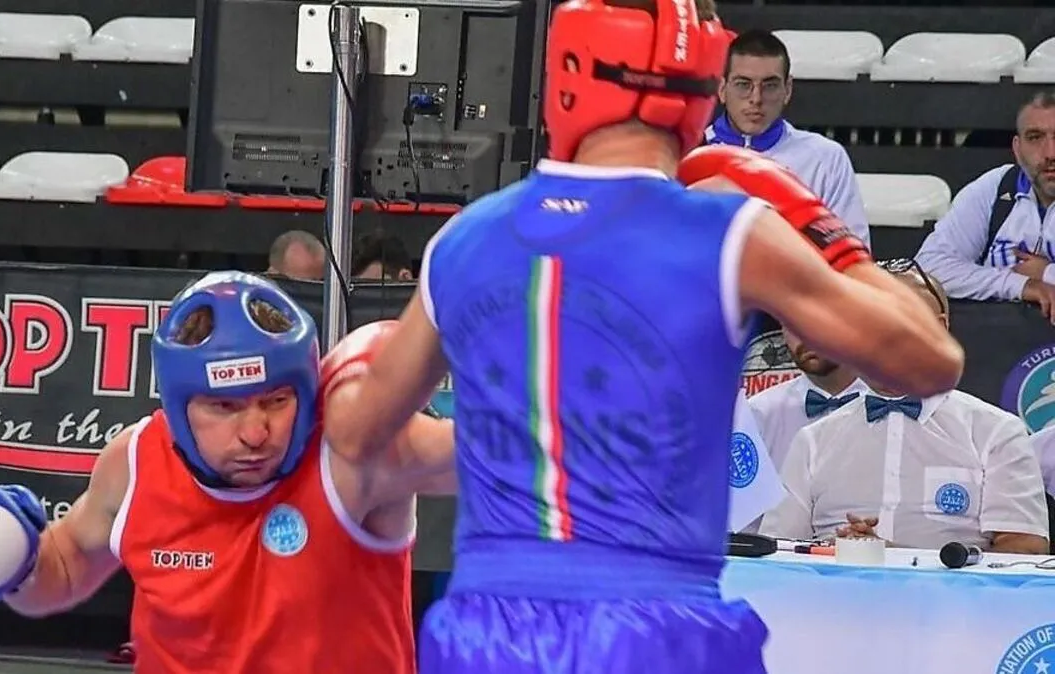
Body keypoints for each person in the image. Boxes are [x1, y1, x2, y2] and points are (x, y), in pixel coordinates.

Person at [326, 0, 963, 671]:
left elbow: (356, 434)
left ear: (565, 73)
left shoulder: (464, 238)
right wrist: (826, 235)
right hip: (654, 626)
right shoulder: (729, 233)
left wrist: (519, 440)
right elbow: (930, 362)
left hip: (486, 632)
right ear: (701, 88)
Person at [0, 272, 455, 674]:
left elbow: (483, 459)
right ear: (179, 407)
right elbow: (64, 566)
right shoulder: (135, 464)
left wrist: (403, 364)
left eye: (275, 400)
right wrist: (13, 565)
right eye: (225, 407)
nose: (256, 432)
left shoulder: (350, 460)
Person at [762, 260, 1049, 555]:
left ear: (938, 328)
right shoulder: (813, 441)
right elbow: (777, 551)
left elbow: (1024, 550)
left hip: (952, 587)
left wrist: (894, 557)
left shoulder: (995, 433)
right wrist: (840, 556)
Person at [705, 30, 870, 247]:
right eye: (743, 84)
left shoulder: (826, 158)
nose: (756, 98)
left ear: (787, 89)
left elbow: (854, 255)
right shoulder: (689, 153)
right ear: (722, 89)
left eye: (770, 85)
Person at [915, 91, 1055, 320]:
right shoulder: (997, 187)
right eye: (1035, 137)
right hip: (996, 336)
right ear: (1017, 149)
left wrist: (1046, 273)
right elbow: (929, 268)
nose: (1050, 153)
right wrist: (1022, 285)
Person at [747, 328, 867, 469]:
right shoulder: (758, 413)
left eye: (817, 323)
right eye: (792, 326)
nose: (806, 337)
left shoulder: (885, 404)